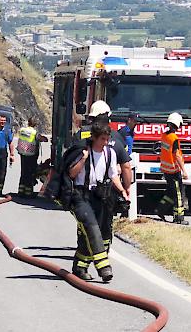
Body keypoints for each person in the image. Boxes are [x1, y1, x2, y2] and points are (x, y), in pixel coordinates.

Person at [68, 121, 129, 282]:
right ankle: (104, 267)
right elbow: (72, 174)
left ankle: (80, 266)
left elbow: (113, 175)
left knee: (100, 232)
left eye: (107, 139)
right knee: (91, 229)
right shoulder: (83, 151)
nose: (106, 143)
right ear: (94, 137)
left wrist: (122, 190)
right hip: (82, 196)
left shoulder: (110, 153)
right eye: (102, 139)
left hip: (101, 196)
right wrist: (83, 160)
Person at [75, 100, 132, 251]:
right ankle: (102, 252)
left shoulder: (81, 134)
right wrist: (126, 189)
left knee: (86, 225)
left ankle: (87, 251)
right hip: (107, 192)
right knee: (106, 223)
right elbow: (126, 167)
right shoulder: (116, 137)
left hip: (84, 191)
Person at [156, 112, 189, 225]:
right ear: (177, 124)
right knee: (179, 194)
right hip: (174, 171)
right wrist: (184, 170)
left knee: (171, 193)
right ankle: (179, 218)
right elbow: (177, 155)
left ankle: (160, 209)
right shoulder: (174, 138)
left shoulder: (164, 135)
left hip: (166, 170)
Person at [17, 116, 47, 198]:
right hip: (31, 155)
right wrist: (45, 138)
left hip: (23, 154)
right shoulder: (34, 133)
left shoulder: (22, 130)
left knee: (23, 172)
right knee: (30, 174)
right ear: (35, 124)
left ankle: (20, 191)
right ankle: (28, 193)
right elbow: (43, 139)